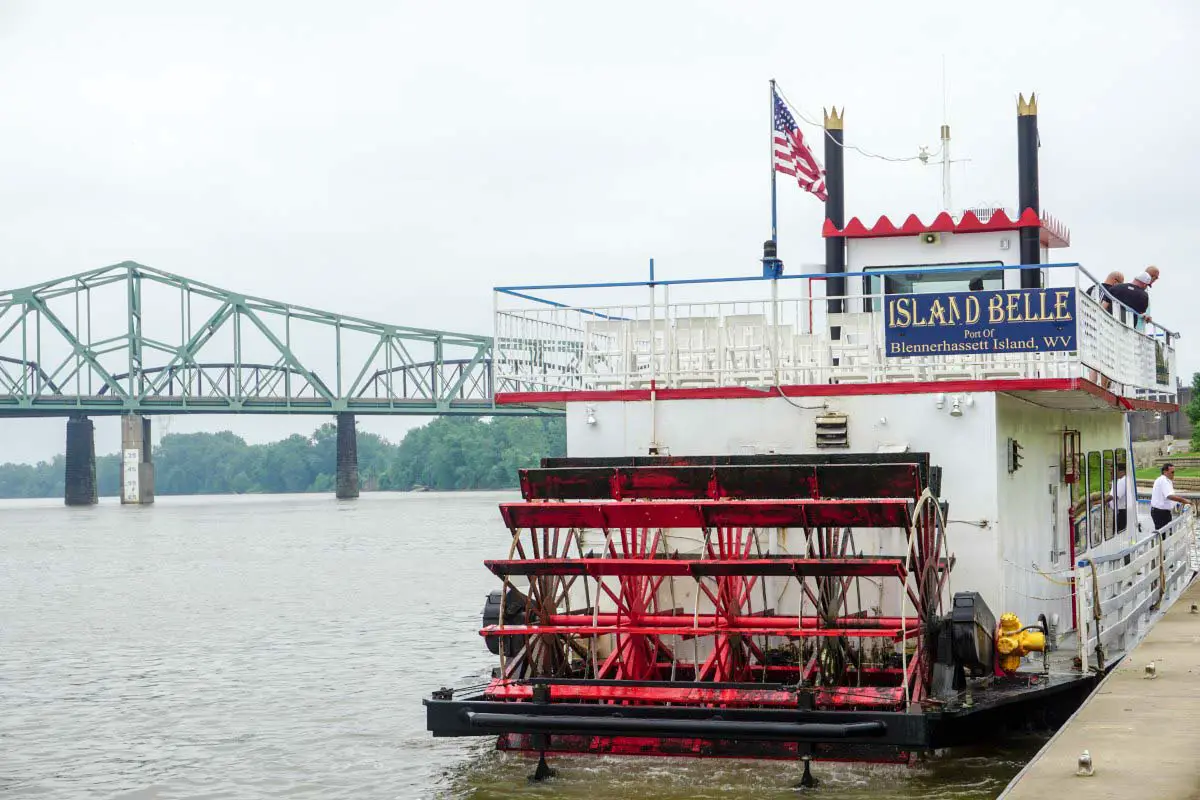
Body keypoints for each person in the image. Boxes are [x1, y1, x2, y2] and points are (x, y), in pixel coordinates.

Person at [1149, 463, 1189, 530]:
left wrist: (1176, 503)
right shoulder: (1163, 480)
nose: (1173, 474)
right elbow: (1170, 496)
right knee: (1165, 535)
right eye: (1172, 472)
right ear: (1165, 472)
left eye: (1174, 472)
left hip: (1161, 512)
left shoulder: (1165, 480)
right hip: (1160, 513)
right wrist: (1184, 500)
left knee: (1166, 534)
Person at [1105, 464, 1129, 535]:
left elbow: (1113, 497)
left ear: (1122, 472)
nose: (1111, 474)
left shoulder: (1122, 481)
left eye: (1114, 472)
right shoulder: (1119, 481)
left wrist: (1099, 502)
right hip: (1120, 512)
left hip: (1121, 512)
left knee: (1118, 534)